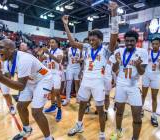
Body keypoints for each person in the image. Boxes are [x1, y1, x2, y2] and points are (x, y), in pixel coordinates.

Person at [62, 2, 119, 139]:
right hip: (86, 81)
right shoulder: (87, 47)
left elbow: (114, 35)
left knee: (100, 110)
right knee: (82, 104)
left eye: (94, 40)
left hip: (98, 82)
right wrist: (65, 25)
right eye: (90, 40)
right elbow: (72, 43)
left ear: (100, 39)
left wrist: (114, 13)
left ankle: (102, 134)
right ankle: (79, 125)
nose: (92, 42)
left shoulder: (106, 50)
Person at [0, 39, 54, 140]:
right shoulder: (7, 60)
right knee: (21, 106)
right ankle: (27, 130)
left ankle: (49, 138)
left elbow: (20, 86)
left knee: (36, 112)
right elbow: (7, 77)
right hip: (30, 80)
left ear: (11, 50)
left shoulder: (23, 59)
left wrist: (0, 78)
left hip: (44, 79)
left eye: (1, 47)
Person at [111, 30, 148, 140]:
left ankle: (135, 138)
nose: (129, 43)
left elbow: (142, 72)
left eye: (132, 41)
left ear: (136, 41)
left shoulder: (143, 52)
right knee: (119, 113)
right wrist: (117, 62)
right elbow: (114, 69)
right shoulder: (119, 51)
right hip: (121, 86)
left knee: (137, 116)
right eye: (127, 41)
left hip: (133, 86)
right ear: (124, 41)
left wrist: (138, 66)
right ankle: (118, 131)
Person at [141, 37, 160, 127]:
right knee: (143, 95)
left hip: (156, 77)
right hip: (146, 76)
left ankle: (154, 116)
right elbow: (143, 64)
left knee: (154, 97)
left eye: (156, 44)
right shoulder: (147, 53)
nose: (154, 45)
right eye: (153, 44)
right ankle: (141, 109)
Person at [42, 38, 63, 122]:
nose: (51, 44)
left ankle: (59, 110)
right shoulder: (48, 50)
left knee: (57, 93)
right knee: (51, 91)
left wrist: (48, 53)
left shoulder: (59, 51)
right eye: (50, 42)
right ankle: (53, 106)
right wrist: (41, 54)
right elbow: (41, 59)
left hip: (56, 73)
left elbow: (58, 60)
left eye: (53, 42)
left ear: (57, 44)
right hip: (48, 73)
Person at [63, 40, 82, 106]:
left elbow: (82, 58)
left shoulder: (80, 49)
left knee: (77, 83)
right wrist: (64, 64)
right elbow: (65, 58)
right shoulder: (68, 49)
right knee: (69, 83)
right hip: (70, 68)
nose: (73, 43)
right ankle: (67, 99)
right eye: (72, 42)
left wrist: (81, 60)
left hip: (77, 67)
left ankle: (78, 97)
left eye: (75, 42)